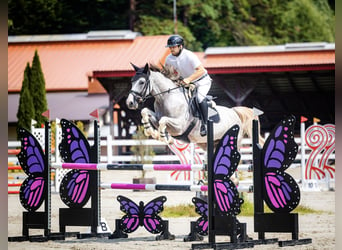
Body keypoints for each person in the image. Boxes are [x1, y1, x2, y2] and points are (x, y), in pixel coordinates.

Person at [164, 34, 212, 136]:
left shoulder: (189, 55)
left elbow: (201, 71)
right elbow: (168, 74)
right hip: (187, 84)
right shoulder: (168, 59)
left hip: (202, 81)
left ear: (180, 46)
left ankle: (205, 124)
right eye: (170, 47)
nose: (171, 49)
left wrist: (188, 79)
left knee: (199, 98)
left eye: (173, 47)